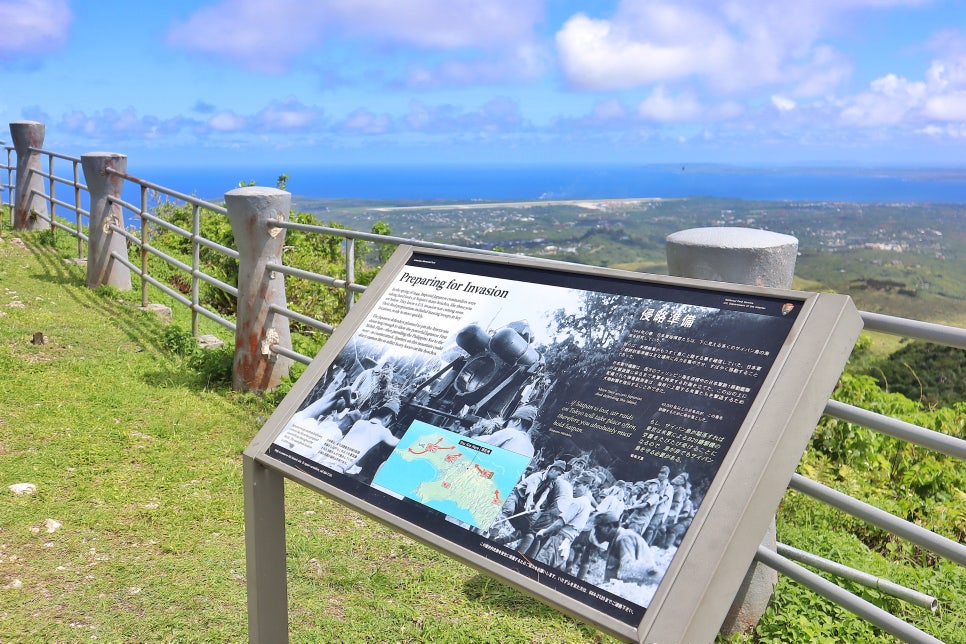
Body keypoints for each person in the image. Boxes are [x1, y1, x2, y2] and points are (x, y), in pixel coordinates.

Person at [319, 399, 401, 475]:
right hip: (337, 468)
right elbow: (399, 443)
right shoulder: (383, 431)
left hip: (325, 461)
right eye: (391, 421)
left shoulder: (359, 422)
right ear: (388, 418)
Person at [595, 511, 659, 583]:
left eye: (598, 529)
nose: (595, 533)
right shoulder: (617, 538)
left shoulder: (623, 538)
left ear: (609, 527)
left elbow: (628, 569)